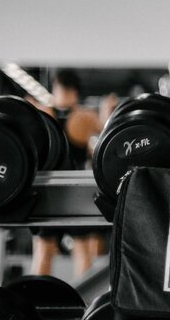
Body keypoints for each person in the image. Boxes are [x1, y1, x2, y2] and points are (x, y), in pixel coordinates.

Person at [31, 69, 111, 277]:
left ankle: (40, 296)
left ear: (58, 88)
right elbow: (108, 135)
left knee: (48, 249)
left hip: (52, 191)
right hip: (68, 190)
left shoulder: (46, 114)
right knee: (75, 248)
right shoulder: (82, 116)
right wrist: (106, 112)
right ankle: (82, 300)